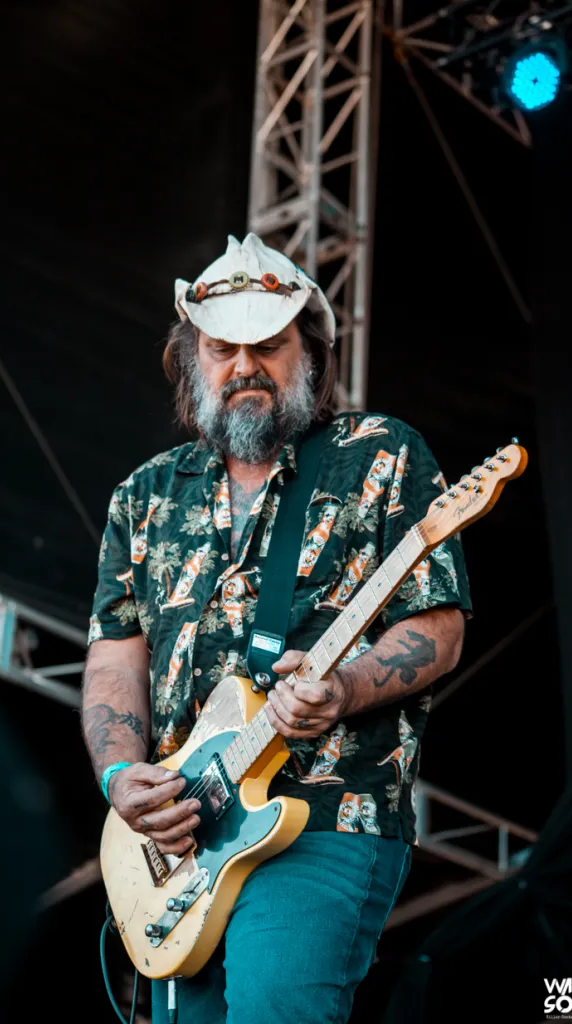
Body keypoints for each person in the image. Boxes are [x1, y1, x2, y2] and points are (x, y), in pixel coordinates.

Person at [81, 233, 471, 1024]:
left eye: (268, 346)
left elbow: (436, 627)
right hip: (186, 836)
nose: (244, 366)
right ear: (191, 360)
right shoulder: (144, 496)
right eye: (222, 349)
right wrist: (121, 776)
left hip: (326, 815)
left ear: (311, 355)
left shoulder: (379, 455)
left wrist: (344, 689)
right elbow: (115, 660)